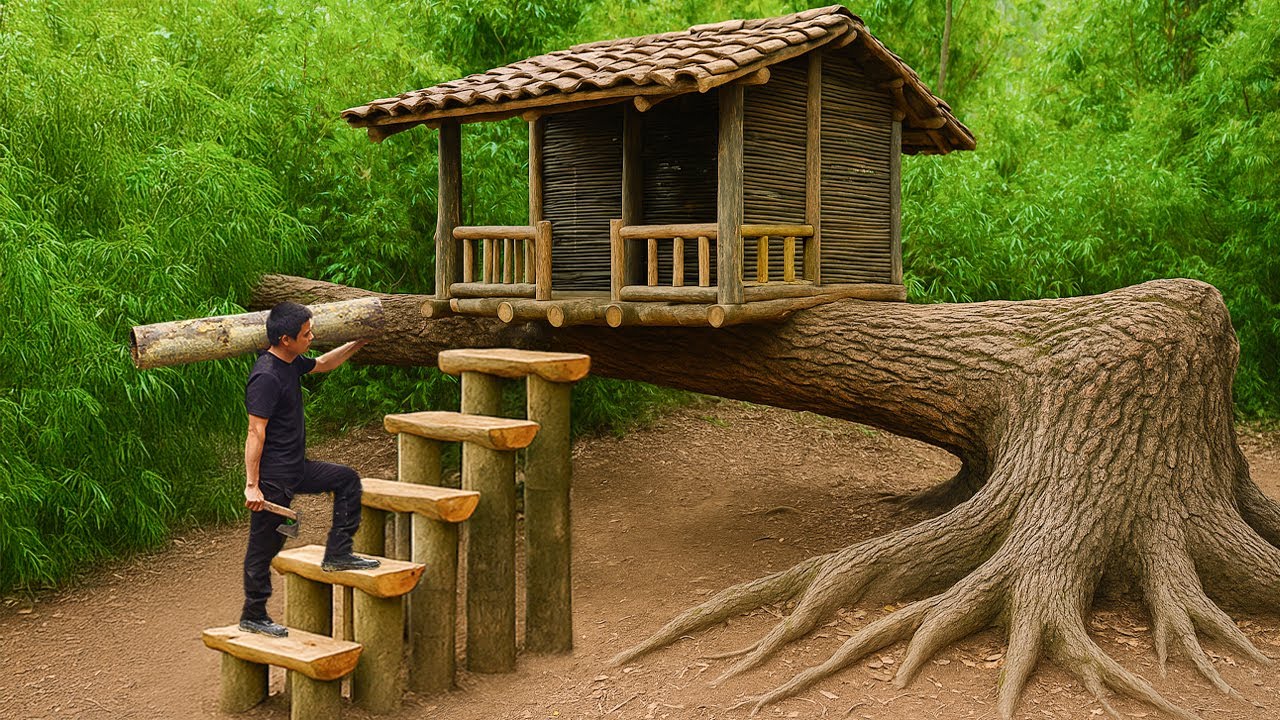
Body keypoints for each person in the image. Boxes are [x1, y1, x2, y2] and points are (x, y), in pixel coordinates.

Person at [238, 302, 380, 638]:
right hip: (274, 480)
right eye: (306, 334)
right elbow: (255, 432)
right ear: (286, 339)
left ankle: (338, 553)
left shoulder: (290, 362)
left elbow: (324, 363)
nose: (312, 337)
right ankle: (253, 615)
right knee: (265, 547)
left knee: (347, 480)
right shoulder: (266, 377)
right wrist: (252, 485)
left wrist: (356, 343)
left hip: (297, 468)